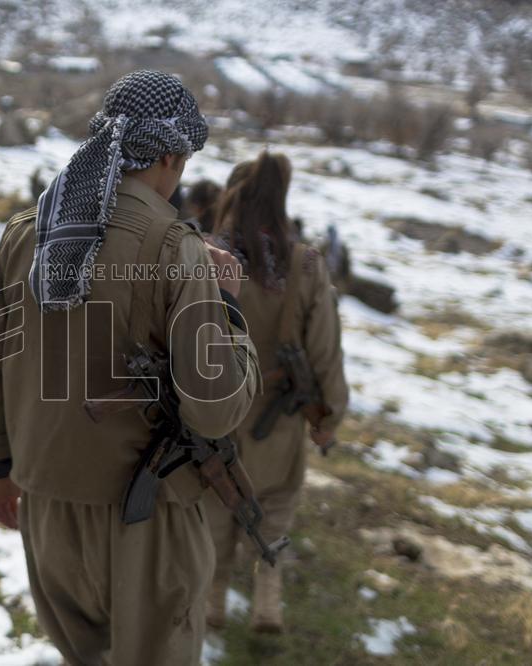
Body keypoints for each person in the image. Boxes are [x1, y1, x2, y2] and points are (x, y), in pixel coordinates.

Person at [0, 70, 260, 666]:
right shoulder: (176, 248)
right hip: (145, 521)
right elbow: (215, 407)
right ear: (172, 156)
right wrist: (226, 307)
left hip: (45, 505)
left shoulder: (28, 233)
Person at [204, 150, 349, 633]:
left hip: (215, 411)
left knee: (216, 505)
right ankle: (267, 601)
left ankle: (213, 602)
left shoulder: (206, 254)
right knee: (276, 506)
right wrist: (328, 419)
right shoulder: (304, 265)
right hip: (277, 418)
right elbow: (325, 351)